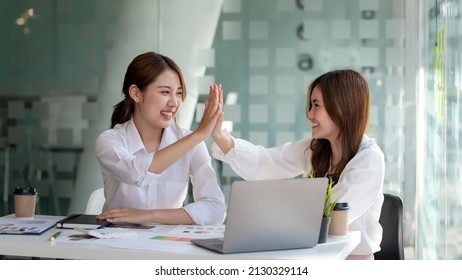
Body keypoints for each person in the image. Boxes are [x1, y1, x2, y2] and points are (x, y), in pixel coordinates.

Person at [211, 69, 385, 259]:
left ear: (342, 107)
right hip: (313, 255)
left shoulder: (369, 160)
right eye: (310, 105)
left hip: (350, 263)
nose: (310, 114)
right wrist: (220, 135)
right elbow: (264, 162)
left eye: (316, 105)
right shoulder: (316, 149)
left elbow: (332, 217)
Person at [95, 51, 226, 226]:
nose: (174, 102)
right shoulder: (109, 141)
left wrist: (149, 216)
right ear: (136, 93)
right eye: (165, 92)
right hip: (117, 244)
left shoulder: (191, 142)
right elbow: (136, 174)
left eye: (179, 93)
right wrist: (198, 135)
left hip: (167, 246)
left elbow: (215, 209)